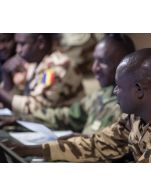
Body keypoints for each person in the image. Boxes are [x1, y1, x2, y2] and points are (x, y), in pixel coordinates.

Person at [3, 48, 151, 163]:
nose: (114, 92)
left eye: (119, 87)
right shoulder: (137, 114)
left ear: (138, 90)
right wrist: (34, 149)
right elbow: (97, 144)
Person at [2, 34, 135, 135]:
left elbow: (98, 147)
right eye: (94, 61)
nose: (95, 68)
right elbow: (64, 116)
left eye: (103, 62)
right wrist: (21, 120)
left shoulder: (129, 107)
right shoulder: (100, 95)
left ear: (124, 65)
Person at [0, 33, 85, 117]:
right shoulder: (34, 63)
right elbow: (17, 99)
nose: (18, 50)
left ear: (41, 43)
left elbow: (35, 109)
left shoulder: (56, 66)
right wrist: (7, 75)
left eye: (22, 44)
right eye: (17, 44)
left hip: (64, 126)